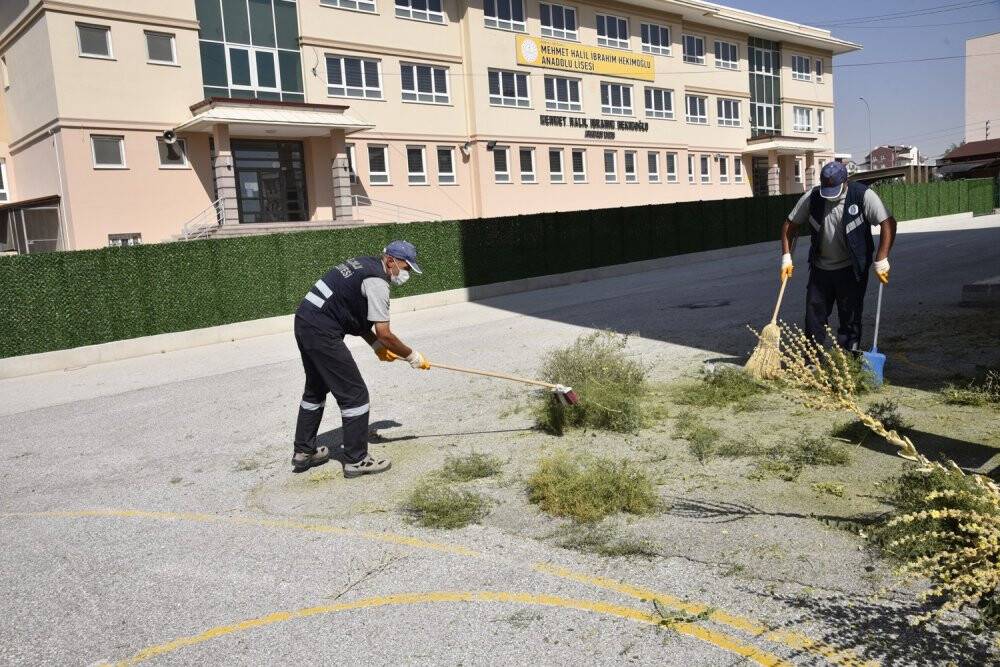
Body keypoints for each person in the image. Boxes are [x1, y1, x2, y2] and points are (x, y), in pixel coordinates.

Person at [291, 240, 430, 477]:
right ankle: (357, 459)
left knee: (315, 389)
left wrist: (375, 346)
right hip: (322, 331)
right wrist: (412, 356)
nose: (405, 274)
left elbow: (355, 316)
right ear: (390, 261)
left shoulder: (365, 264)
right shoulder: (378, 282)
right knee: (355, 395)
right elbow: (385, 333)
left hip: (305, 321)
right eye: (405, 268)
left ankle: (304, 451)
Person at [779, 161, 896, 351]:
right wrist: (786, 257)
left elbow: (888, 223)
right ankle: (811, 361)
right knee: (813, 318)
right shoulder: (813, 197)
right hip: (821, 269)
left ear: (846, 181)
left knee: (850, 318)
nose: (830, 195)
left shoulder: (862, 195)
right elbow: (789, 226)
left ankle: (848, 359)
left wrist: (882, 257)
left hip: (851, 270)